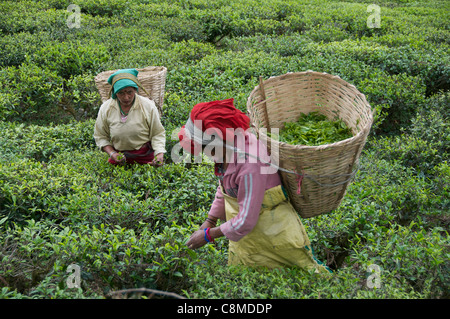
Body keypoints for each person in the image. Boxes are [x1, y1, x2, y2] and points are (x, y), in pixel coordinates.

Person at [179, 98, 330, 273]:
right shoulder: (225, 152)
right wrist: (210, 220)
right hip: (248, 238)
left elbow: (246, 220)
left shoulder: (250, 164)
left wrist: (208, 236)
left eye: (205, 149)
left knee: (300, 277)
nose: (205, 154)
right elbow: (225, 188)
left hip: (274, 237)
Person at [93, 68, 166, 165]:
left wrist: (159, 154)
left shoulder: (148, 106)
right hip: (119, 155)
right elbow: (100, 136)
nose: (126, 97)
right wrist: (112, 153)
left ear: (135, 90)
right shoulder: (106, 108)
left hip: (144, 155)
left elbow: (157, 133)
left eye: (129, 92)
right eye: (121, 93)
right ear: (115, 93)